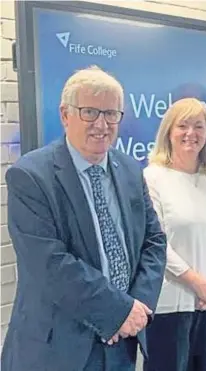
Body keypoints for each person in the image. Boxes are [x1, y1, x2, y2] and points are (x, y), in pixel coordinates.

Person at [0, 66, 167, 371]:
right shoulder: (29, 175)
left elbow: (154, 241)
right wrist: (117, 311)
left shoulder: (131, 170)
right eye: (90, 112)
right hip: (58, 349)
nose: (102, 124)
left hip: (121, 342)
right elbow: (50, 264)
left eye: (111, 114)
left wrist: (137, 308)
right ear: (65, 115)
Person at [143, 97, 206, 371]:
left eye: (199, 126)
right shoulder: (153, 178)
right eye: (183, 125)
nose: (191, 133)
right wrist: (199, 284)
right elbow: (156, 244)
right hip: (170, 304)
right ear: (169, 133)